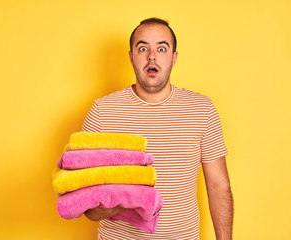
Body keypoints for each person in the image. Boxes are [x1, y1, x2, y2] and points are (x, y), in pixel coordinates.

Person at [82, 17, 234, 240]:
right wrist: (125, 199)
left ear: (173, 58)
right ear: (131, 57)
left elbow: (219, 187)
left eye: (161, 48)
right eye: (142, 48)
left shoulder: (202, 109)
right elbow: (86, 205)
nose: (151, 56)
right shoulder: (102, 111)